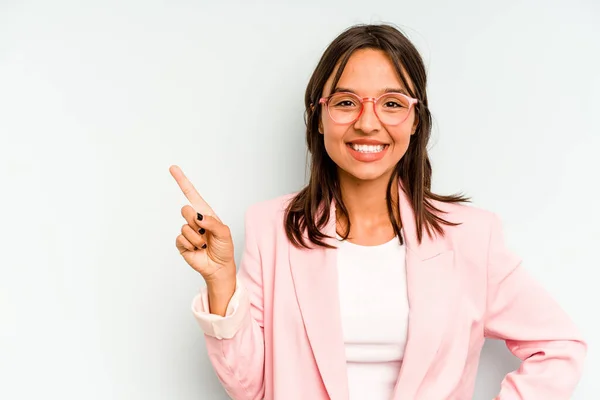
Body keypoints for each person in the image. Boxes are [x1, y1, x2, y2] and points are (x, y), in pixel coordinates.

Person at [170, 23, 586, 400]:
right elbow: (250, 386)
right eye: (347, 102)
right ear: (318, 117)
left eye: (391, 103)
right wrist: (221, 281)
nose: (368, 123)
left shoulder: (472, 237)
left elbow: (558, 346)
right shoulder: (271, 229)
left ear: (415, 120)